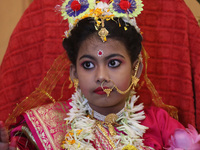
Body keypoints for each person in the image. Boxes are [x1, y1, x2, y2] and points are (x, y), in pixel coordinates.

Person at [0, 0, 200, 149]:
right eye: (88, 65)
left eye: (113, 63)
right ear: (74, 73)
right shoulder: (48, 125)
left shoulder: (160, 124)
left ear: (135, 69)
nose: (101, 76)